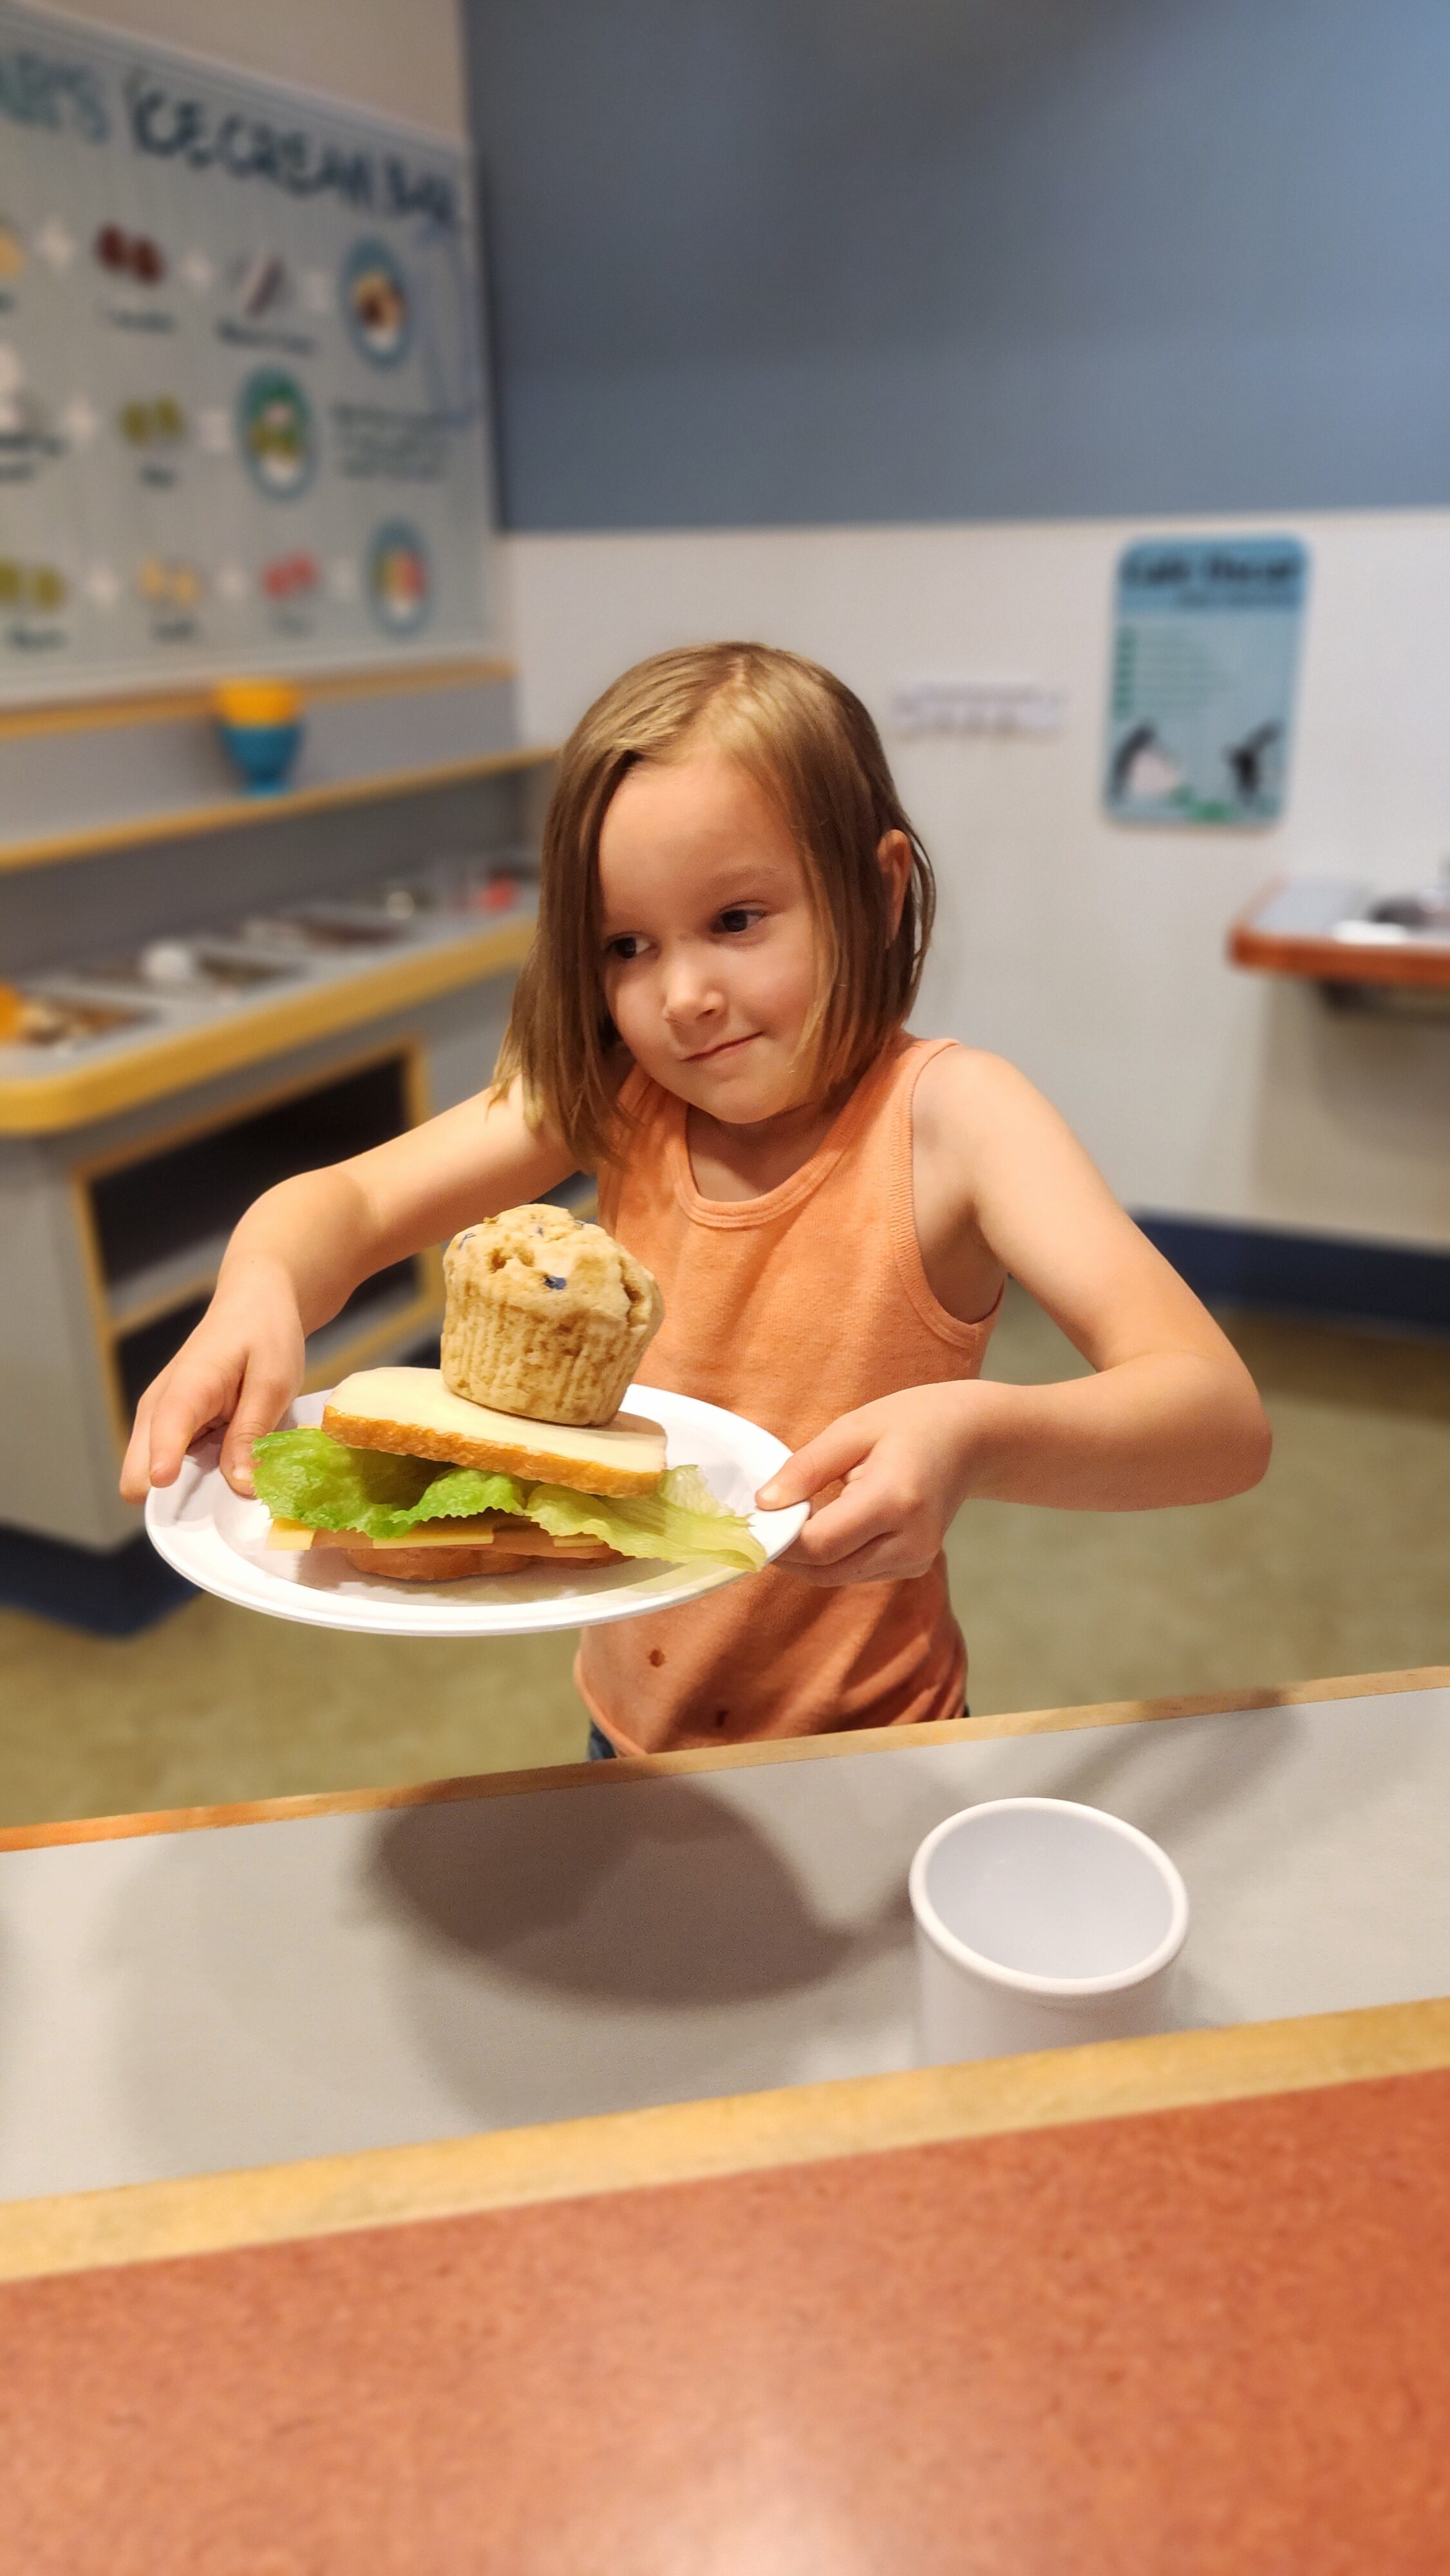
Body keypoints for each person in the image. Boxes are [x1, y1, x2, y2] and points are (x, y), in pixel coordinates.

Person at [122, 643, 1271, 1756]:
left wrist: (980, 1437)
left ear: (875, 894)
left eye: (736, 922)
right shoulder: (618, 1096)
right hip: (626, 1734)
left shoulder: (958, 1120)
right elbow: (350, 1205)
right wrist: (260, 1286)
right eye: (627, 945)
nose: (681, 998)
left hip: (872, 1750)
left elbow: (1215, 1420)